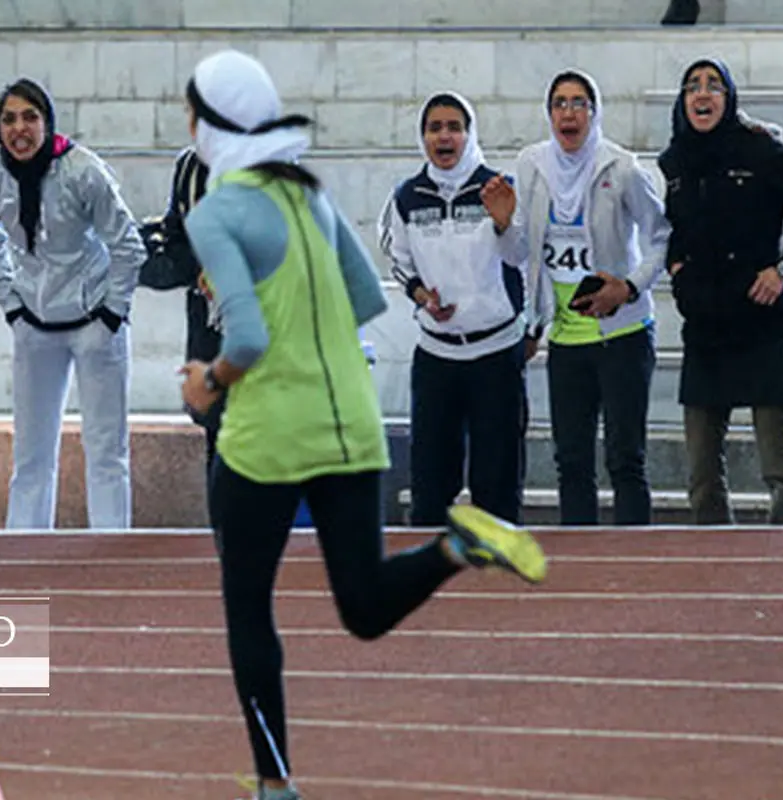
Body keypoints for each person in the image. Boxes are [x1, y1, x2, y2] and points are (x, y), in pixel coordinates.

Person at [175, 49, 547, 800]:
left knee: (248, 609)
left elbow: (242, 338)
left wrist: (207, 382)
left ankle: (275, 785)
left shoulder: (216, 210)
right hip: (349, 419)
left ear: (213, 122)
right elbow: (361, 297)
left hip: (265, 436)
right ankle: (457, 541)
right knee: (366, 604)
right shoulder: (308, 195)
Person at [657, 58, 783, 525]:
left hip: (761, 324)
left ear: (729, 98)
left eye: (714, 86)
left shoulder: (761, 152)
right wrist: (677, 269)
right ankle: (711, 573)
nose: (702, 94)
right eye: (692, 86)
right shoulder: (673, 161)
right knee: (700, 473)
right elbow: (675, 229)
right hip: (705, 327)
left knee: (779, 468)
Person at [491, 69, 670, 527]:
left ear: (594, 112)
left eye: (578, 103)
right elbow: (520, 253)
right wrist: (501, 225)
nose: (568, 113)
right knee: (571, 462)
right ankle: (579, 563)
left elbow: (661, 239)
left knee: (624, 458)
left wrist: (627, 287)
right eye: (559, 104)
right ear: (548, 114)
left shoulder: (622, 167)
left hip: (623, 333)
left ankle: (633, 566)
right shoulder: (532, 165)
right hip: (566, 339)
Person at [0, 78, 147, 530]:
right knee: (30, 453)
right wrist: (12, 306)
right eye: (8, 119)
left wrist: (112, 313)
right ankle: (24, 556)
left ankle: (110, 553)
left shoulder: (84, 171)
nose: (19, 128)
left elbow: (128, 246)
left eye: (30, 116)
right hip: (35, 323)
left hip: (94, 323)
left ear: (47, 122)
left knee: (106, 450)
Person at [377, 91, 528, 527]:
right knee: (430, 485)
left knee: (496, 484)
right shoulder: (407, 196)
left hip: (496, 354)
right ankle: (429, 580)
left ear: (469, 133)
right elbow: (398, 260)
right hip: (437, 357)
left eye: (454, 127)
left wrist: (502, 220)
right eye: (434, 128)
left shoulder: (497, 188)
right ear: (423, 137)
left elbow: (521, 256)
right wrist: (422, 296)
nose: (444, 137)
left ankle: (499, 580)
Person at [137, 146, 225, 489]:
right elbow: (177, 231)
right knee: (217, 433)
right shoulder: (191, 164)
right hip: (210, 321)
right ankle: (225, 533)